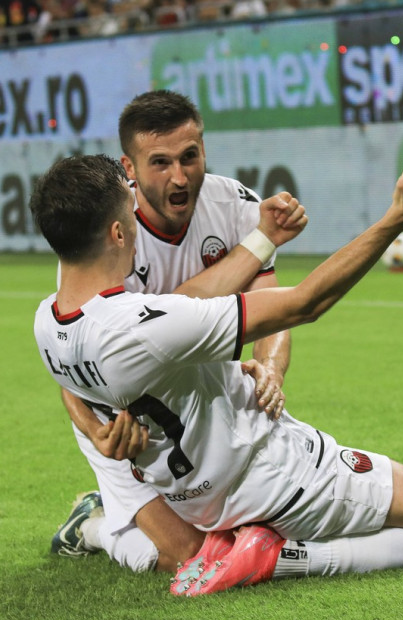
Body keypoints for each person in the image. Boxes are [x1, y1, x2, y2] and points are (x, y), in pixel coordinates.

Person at [31, 154, 403, 596]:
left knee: (177, 552)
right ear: (118, 233)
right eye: (131, 215)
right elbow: (305, 303)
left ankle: (234, 543)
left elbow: (81, 385)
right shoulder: (145, 324)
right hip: (275, 474)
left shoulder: (47, 323)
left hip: (199, 501)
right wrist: (399, 216)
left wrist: (96, 426)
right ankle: (284, 557)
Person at [49, 90, 307, 574]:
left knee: (245, 530)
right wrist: (97, 432)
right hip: (125, 423)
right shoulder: (103, 232)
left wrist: (271, 369)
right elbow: (67, 363)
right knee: (187, 557)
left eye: (190, 156)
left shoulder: (236, 207)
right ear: (130, 167)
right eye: (160, 162)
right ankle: (91, 526)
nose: (180, 176)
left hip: (205, 406)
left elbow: (271, 309)